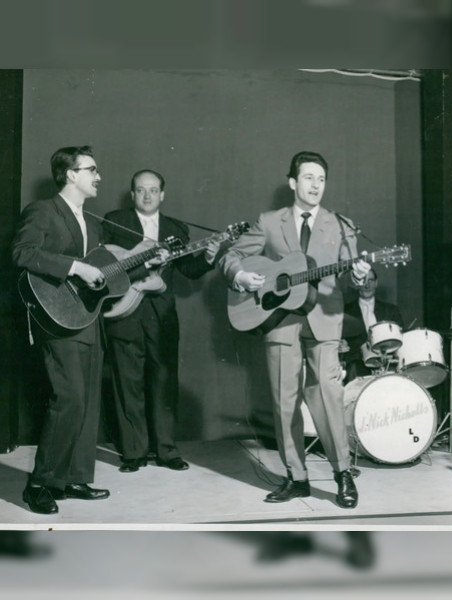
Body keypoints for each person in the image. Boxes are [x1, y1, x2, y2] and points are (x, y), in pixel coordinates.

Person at [220, 150, 371, 508]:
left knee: (328, 398)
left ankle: (343, 474)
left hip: (325, 319)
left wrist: (363, 277)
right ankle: (297, 477)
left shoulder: (341, 225)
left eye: (321, 178)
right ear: (293, 182)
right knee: (284, 401)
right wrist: (240, 275)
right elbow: (231, 257)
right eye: (308, 177)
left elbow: (357, 281)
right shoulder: (270, 221)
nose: (316, 184)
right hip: (279, 320)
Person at [12, 145, 110, 514]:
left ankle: (73, 478)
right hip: (56, 318)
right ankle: (40, 483)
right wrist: (75, 267)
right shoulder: (42, 211)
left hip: (86, 318)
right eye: (91, 169)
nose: (98, 176)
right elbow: (22, 252)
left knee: (87, 402)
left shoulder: (96, 222)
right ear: (70, 174)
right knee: (69, 399)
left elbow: (99, 275)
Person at [102, 170, 219, 473]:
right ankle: (133, 452)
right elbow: (105, 266)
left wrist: (208, 257)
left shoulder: (175, 228)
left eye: (153, 190)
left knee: (165, 383)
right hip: (124, 310)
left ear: (163, 194)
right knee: (127, 382)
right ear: (132, 194)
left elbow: (189, 271)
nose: (148, 195)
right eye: (141, 190)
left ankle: (166, 450)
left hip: (162, 314)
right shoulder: (115, 220)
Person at [342, 268, 404, 382]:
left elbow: (401, 340)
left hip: (388, 366)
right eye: (363, 280)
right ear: (356, 284)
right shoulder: (345, 312)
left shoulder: (391, 310)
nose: (367, 285)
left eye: (371, 280)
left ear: (376, 283)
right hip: (357, 369)